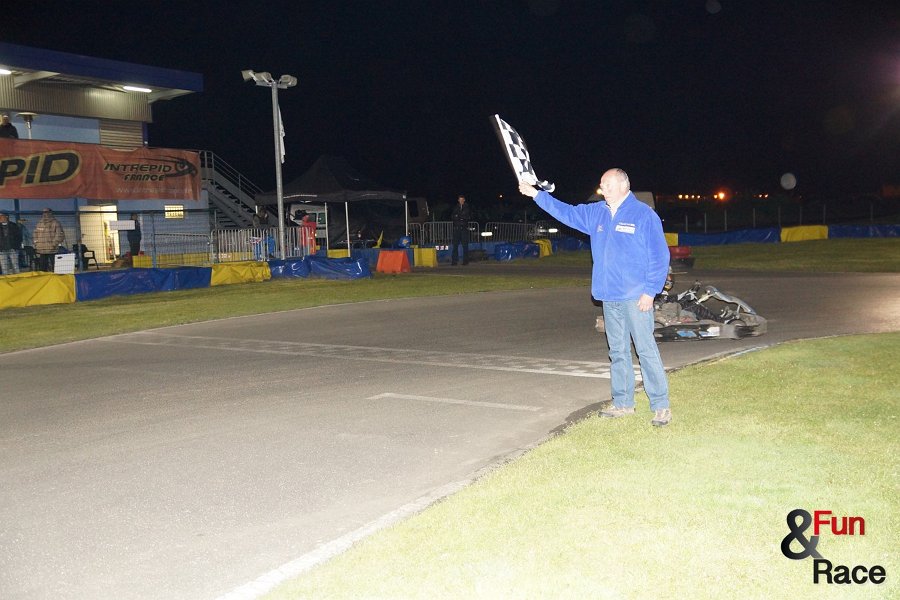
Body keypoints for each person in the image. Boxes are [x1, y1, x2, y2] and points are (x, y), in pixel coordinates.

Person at [519, 168, 672, 426]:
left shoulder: (643, 214)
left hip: (636, 297)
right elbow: (566, 212)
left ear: (624, 185)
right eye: (602, 185)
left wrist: (650, 291)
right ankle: (623, 403)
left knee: (645, 350)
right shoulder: (596, 213)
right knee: (618, 352)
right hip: (609, 296)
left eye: (609, 185)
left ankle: (661, 406)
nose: (604, 189)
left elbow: (659, 255)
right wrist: (536, 195)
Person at [450, 194, 472, 266]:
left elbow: (466, 216)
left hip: (464, 228)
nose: (461, 201)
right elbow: (453, 216)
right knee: (455, 245)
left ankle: (466, 261)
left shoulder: (467, 207)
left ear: (464, 200)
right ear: (458, 200)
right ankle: (454, 261)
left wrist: (458, 216)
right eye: (460, 200)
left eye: (462, 200)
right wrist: (460, 217)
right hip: (457, 228)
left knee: (465, 245)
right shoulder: (456, 207)